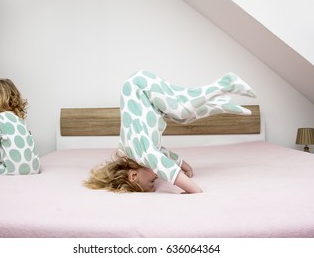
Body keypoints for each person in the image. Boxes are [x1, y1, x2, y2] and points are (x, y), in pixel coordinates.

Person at [84, 71, 256, 193]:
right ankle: (221, 104)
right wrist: (185, 166)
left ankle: (225, 83)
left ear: (133, 175)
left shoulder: (141, 153)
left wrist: (193, 190)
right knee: (183, 117)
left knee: (181, 108)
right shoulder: (134, 152)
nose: (157, 178)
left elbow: (164, 166)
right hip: (142, 93)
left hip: (139, 86)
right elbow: (163, 154)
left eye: (152, 181)